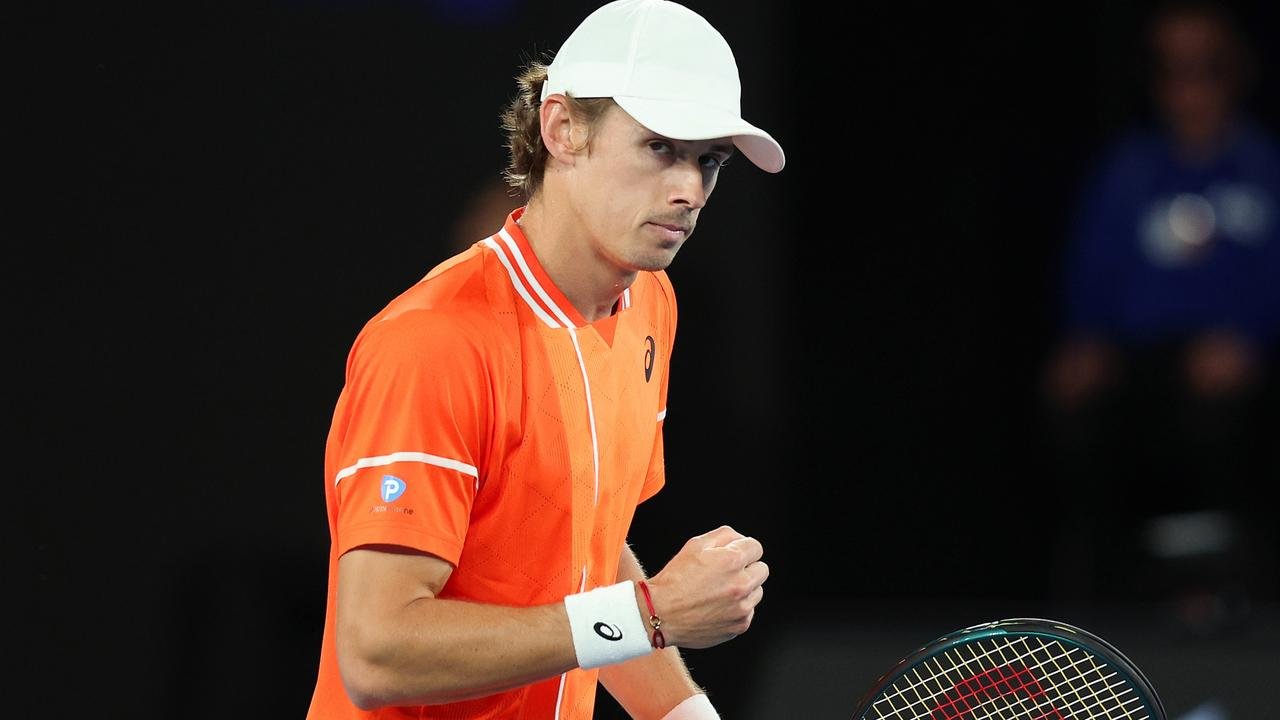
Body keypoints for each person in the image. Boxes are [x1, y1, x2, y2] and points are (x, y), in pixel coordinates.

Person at [305, 1, 785, 718]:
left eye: (708, 161)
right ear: (562, 129)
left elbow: (584, 546)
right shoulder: (433, 342)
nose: (689, 190)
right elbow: (377, 652)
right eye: (659, 147)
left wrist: (684, 714)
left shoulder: (652, 304)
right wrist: (648, 612)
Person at [1041, 0, 1280, 615]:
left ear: (1237, 71)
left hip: (1240, 367)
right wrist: (1085, 338)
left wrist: (1252, 335)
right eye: (1172, 70)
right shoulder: (1128, 168)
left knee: (1218, 405)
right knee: (1078, 401)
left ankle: (1221, 590)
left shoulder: (1264, 167)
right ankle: (1099, 603)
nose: (1188, 89)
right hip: (1138, 363)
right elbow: (1088, 273)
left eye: (1206, 69)